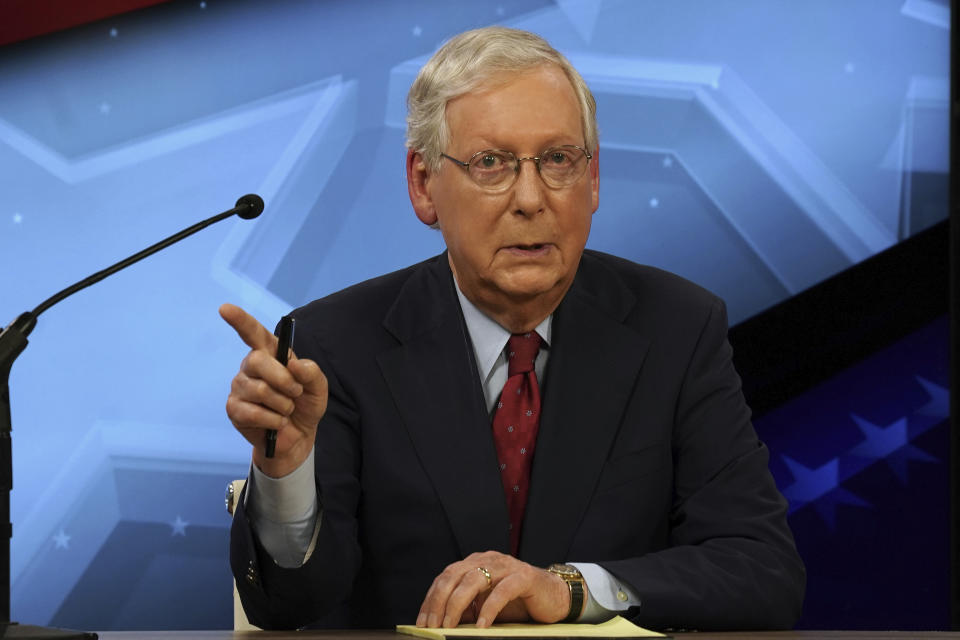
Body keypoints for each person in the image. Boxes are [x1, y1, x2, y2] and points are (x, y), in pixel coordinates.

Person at [221, 26, 805, 632]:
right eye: (491, 164)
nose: (531, 198)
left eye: (557, 160)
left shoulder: (678, 328)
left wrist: (574, 589)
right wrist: (284, 471)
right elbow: (287, 606)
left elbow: (761, 571)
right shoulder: (335, 345)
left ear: (594, 177)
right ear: (423, 185)